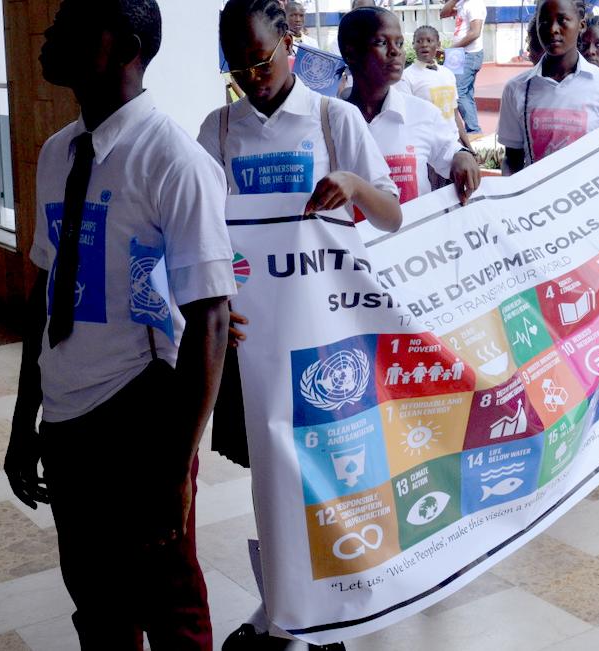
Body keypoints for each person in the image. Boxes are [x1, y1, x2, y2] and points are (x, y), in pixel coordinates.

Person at [4, 1, 235, 649]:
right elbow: (46, 292)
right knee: (97, 601)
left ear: (128, 48)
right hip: (67, 414)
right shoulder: (58, 153)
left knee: (169, 604)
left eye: (72, 26)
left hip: (141, 414)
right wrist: (25, 421)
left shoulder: (174, 161)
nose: (51, 35)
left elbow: (211, 318)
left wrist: (176, 467)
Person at [198, 1, 401, 648]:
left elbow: (392, 213)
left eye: (261, 60)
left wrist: (352, 184)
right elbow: (201, 231)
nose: (252, 77)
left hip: (323, 339)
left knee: (326, 473)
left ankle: (325, 609)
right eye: (238, 68)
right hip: (253, 342)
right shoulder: (218, 130)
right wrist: (214, 301)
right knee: (270, 476)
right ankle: (281, 610)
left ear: (289, 44)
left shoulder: (332, 118)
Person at [498, 0, 599, 176]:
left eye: (562, 20)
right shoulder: (517, 88)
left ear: (581, 24)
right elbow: (512, 159)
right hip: (536, 194)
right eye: (544, 21)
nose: (553, 29)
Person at [342, 7, 480, 206]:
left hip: (415, 225)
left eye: (399, 43)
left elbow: (449, 151)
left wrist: (462, 156)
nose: (395, 51)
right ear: (351, 53)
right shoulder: (330, 120)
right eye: (381, 42)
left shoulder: (423, 113)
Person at [395, 25, 471, 148]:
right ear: (413, 45)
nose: (424, 45)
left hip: (453, 144)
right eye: (419, 41)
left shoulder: (447, 73)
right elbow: (407, 119)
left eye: (429, 41)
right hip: (427, 145)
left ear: (438, 44)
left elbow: (454, 114)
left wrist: (467, 147)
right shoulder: (406, 77)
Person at [440, 0, 486, 135]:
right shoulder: (462, 4)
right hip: (458, 54)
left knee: (458, 92)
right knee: (458, 91)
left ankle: (474, 130)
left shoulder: (474, 4)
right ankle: (472, 129)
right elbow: (443, 13)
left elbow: (475, 32)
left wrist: (451, 49)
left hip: (469, 55)